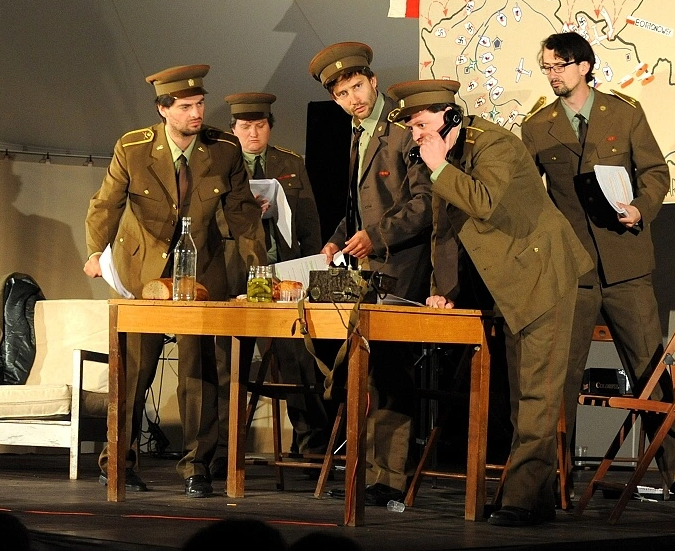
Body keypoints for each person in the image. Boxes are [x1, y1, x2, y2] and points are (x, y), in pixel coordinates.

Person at [393, 79, 592, 527]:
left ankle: (522, 500)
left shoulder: (494, 145)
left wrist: (439, 168)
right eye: (412, 128)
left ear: (451, 117)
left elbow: (482, 202)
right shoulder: (444, 158)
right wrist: (446, 290)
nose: (417, 136)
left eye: (422, 125)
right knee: (520, 399)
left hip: (542, 275)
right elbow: (444, 229)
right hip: (506, 284)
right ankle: (530, 498)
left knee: (538, 396)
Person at [84, 64, 266, 498]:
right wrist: (94, 253)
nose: (196, 113)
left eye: (200, 104)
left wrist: (258, 272)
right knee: (134, 370)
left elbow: (244, 215)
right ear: (163, 109)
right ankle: (118, 461)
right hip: (141, 269)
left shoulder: (223, 149)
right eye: (185, 107)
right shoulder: (133, 148)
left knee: (199, 371)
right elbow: (106, 204)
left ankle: (196, 466)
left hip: (201, 270)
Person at [521, 31, 675, 495]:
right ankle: (556, 482)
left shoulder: (624, 113)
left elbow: (656, 172)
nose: (552, 74)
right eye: (547, 67)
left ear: (584, 66)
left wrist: (640, 208)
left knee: (650, 370)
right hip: (572, 269)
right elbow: (527, 195)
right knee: (561, 377)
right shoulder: (538, 126)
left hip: (626, 264)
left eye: (560, 66)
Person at [307, 42, 433, 505]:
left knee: (392, 369)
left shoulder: (402, 129)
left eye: (357, 87)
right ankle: (370, 471)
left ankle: (389, 477)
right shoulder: (358, 132)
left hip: (403, 263)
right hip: (368, 264)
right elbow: (359, 206)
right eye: (342, 94)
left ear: (373, 81)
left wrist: (376, 237)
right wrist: (337, 238)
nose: (353, 99)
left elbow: (425, 202)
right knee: (369, 369)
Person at [220, 91, 328, 460]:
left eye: (261, 125)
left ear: (270, 126)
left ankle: (312, 444)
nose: (253, 133)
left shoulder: (290, 162)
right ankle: (222, 450)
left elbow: (309, 221)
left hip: (283, 273)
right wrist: (244, 211)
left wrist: (313, 270)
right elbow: (206, 221)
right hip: (236, 273)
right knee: (228, 363)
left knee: (297, 360)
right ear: (233, 129)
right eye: (245, 126)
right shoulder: (220, 164)